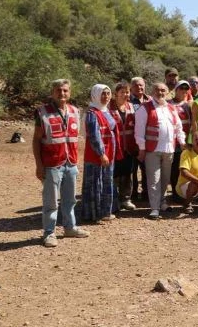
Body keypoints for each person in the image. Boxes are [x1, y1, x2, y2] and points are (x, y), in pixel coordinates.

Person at [33, 79, 89, 247]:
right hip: (52, 163)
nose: (62, 93)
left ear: (69, 92)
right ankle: (49, 233)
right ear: (52, 92)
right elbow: (36, 140)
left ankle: (70, 227)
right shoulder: (42, 112)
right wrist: (39, 165)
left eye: (65, 90)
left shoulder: (75, 111)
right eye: (58, 90)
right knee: (51, 201)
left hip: (70, 162)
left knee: (70, 199)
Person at [135, 82, 186, 220]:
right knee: (154, 179)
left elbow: (178, 127)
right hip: (152, 149)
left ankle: (162, 202)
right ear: (152, 91)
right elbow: (139, 130)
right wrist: (142, 148)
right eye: (157, 90)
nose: (160, 93)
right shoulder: (144, 108)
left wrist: (182, 141)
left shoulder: (171, 108)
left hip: (169, 149)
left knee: (165, 178)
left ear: (168, 92)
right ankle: (154, 208)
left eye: (163, 90)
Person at [81, 84, 119, 223]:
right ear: (95, 95)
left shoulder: (106, 111)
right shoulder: (92, 113)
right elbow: (93, 136)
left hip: (109, 151)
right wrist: (101, 153)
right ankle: (94, 214)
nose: (106, 96)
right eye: (103, 93)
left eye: (108, 93)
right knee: (95, 183)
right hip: (96, 154)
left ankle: (105, 211)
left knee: (106, 181)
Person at [109, 82, 137, 210]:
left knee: (127, 173)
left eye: (127, 92)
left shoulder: (130, 106)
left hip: (129, 147)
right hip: (115, 147)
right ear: (115, 94)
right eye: (122, 92)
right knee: (115, 174)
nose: (125, 94)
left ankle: (126, 199)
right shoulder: (109, 107)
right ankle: (114, 200)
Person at [169, 80, 193, 201]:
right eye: (181, 89)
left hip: (186, 141)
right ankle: (175, 192)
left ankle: (185, 192)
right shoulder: (168, 104)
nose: (184, 91)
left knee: (184, 167)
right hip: (173, 141)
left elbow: (193, 122)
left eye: (186, 89)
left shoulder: (189, 105)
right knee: (174, 168)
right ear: (176, 90)